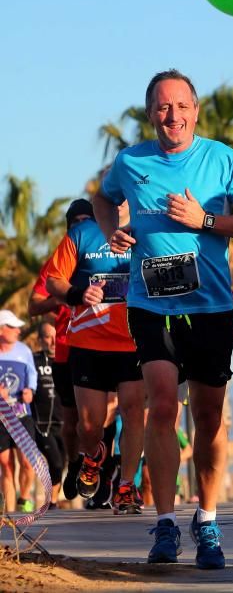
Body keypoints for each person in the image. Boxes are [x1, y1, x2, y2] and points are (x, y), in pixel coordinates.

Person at [93, 69, 233, 568]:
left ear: (196, 111)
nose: (173, 115)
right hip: (152, 305)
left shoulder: (223, 159)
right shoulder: (130, 162)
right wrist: (113, 230)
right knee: (163, 403)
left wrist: (207, 221)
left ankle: (208, 518)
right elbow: (102, 198)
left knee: (210, 417)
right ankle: (167, 524)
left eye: (181, 106)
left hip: (211, 308)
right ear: (151, 112)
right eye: (163, 107)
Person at [44, 197, 144, 516]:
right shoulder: (82, 233)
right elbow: (53, 280)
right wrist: (78, 293)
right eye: (112, 192)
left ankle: (127, 486)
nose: (119, 200)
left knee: (132, 413)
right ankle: (93, 456)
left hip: (134, 340)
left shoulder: (146, 228)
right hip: (89, 340)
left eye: (124, 194)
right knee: (89, 426)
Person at [28, 198, 94, 502]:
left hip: (106, 344)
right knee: (71, 422)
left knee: (101, 417)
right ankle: (77, 463)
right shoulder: (59, 261)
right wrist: (67, 296)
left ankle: (97, 468)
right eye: (75, 222)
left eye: (86, 220)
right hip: (67, 348)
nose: (81, 226)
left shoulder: (107, 251)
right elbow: (33, 306)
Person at [0, 310, 38, 513]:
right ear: (1, 330)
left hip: (22, 415)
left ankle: (24, 499)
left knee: (27, 462)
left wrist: (30, 390)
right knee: (6, 465)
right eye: (13, 327)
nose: (18, 330)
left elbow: (32, 375)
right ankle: (10, 513)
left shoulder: (24, 350)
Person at [30, 321, 64, 509]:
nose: (52, 342)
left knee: (63, 464)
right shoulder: (33, 360)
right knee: (56, 463)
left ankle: (53, 501)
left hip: (64, 422)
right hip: (42, 424)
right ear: (40, 340)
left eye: (55, 337)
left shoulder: (65, 360)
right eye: (47, 337)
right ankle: (51, 502)